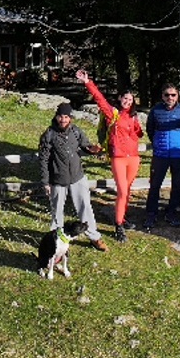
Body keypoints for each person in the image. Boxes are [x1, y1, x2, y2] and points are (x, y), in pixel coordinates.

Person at [77, 69, 144, 242]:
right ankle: (118, 225)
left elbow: (138, 135)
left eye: (130, 100)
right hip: (118, 158)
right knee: (122, 190)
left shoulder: (134, 115)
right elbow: (99, 99)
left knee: (127, 190)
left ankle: (122, 217)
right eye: (125, 98)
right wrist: (87, 82)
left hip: (134, 158)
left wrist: (137, 127)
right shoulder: (112, 113)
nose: (128, 102)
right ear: (120, 98)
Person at [39, 102, 108, 251]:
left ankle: (94, 237)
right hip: (57, 179)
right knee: (57, 211)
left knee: (85, 208)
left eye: (66, 117)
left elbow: (85, 145)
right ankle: (56, 241)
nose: (63, 120)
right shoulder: (48, 135)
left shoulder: (75, 131)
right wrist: (45, 182)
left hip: (77, 177)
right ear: (56, 116)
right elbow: (43, 159)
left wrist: (92, 149)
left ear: (70, 117)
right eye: (60, 116)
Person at [144, 83, 180, 229]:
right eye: (167, 95)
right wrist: (157, 142)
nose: (170, 98)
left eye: (173, 95)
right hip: (160, 154)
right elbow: (150, 129)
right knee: (155, 185)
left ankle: (171, 212)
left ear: (177, 96)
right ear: (162, 96)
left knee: (177, 185)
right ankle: (151, 214)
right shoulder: (155, 110)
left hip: (178, 154)